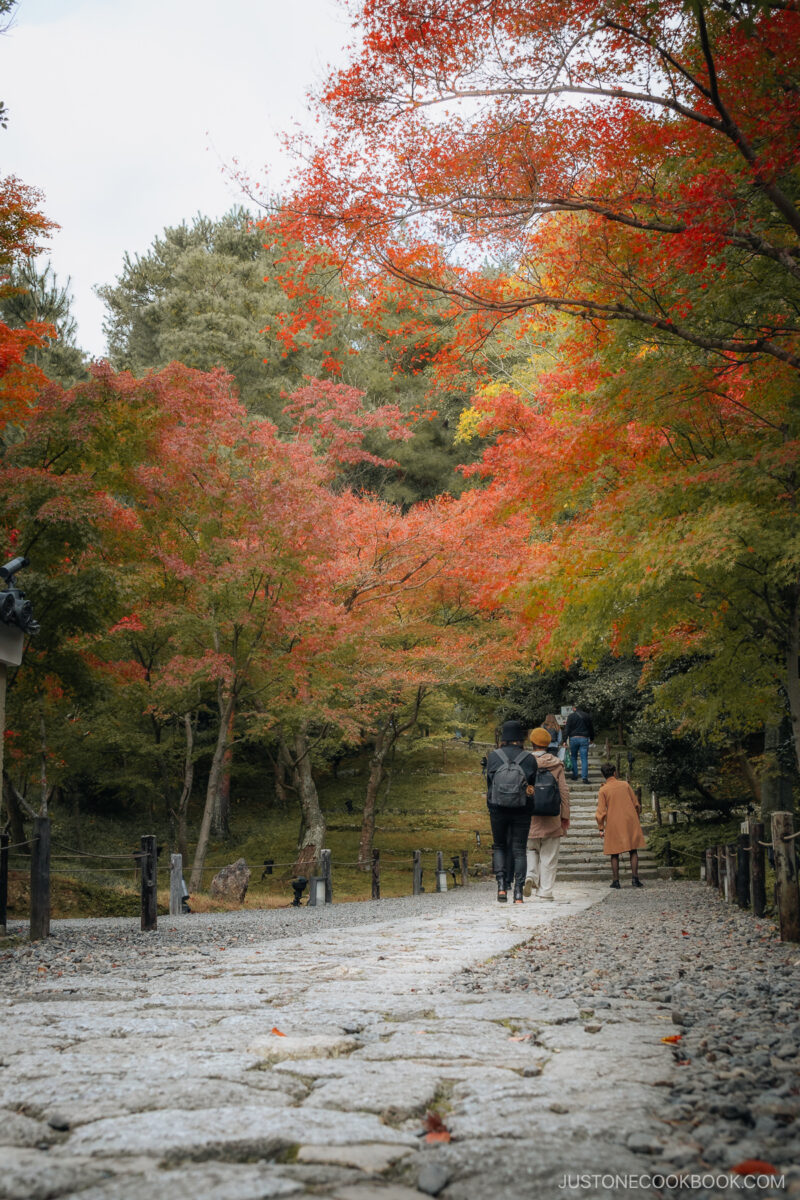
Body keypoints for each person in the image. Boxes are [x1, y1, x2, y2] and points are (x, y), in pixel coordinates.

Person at [485, 719, 538, 904]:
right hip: (522, 809)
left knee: (499, 846)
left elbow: (489, 785)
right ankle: (518, 893)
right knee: (519, 850)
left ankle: (501, 887)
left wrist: (491, 805)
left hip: (498, 808)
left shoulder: (493, 757)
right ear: (520, 738)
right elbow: (532, 786)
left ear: (504, 736)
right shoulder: (529, 759)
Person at [524, 727, 570, 900]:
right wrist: (565, 816)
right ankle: (545, 892)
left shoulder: (525, 762)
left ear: (532, 742)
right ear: (547, 743)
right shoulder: (556, 764)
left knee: (531, 849)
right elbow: (564, 792)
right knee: (549, 856)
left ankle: (531, 875)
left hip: (530, 815)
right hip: (552, 816)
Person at [595, 762, 647, 888]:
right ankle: (635, 879)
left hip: (613, 822)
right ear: (615, 773)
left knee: (614, 853)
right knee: (633, 850)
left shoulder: (603, 790)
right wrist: (636, 815)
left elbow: (601, 811)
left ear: (604, 775)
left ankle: (616, 881)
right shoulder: (625, 785)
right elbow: (636, 804)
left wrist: (601, 828)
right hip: (630, 820)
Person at [564, 706, 594, 784]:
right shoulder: (587, 716)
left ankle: (575, 775)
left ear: (574, 708)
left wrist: (564, 740)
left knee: (573, 757)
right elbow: (591, 728)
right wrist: (592, 738)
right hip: (584, 738)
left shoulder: (571, 716)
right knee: (584, 758)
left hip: (573, 738)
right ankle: (584, 778)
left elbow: (567, 728)